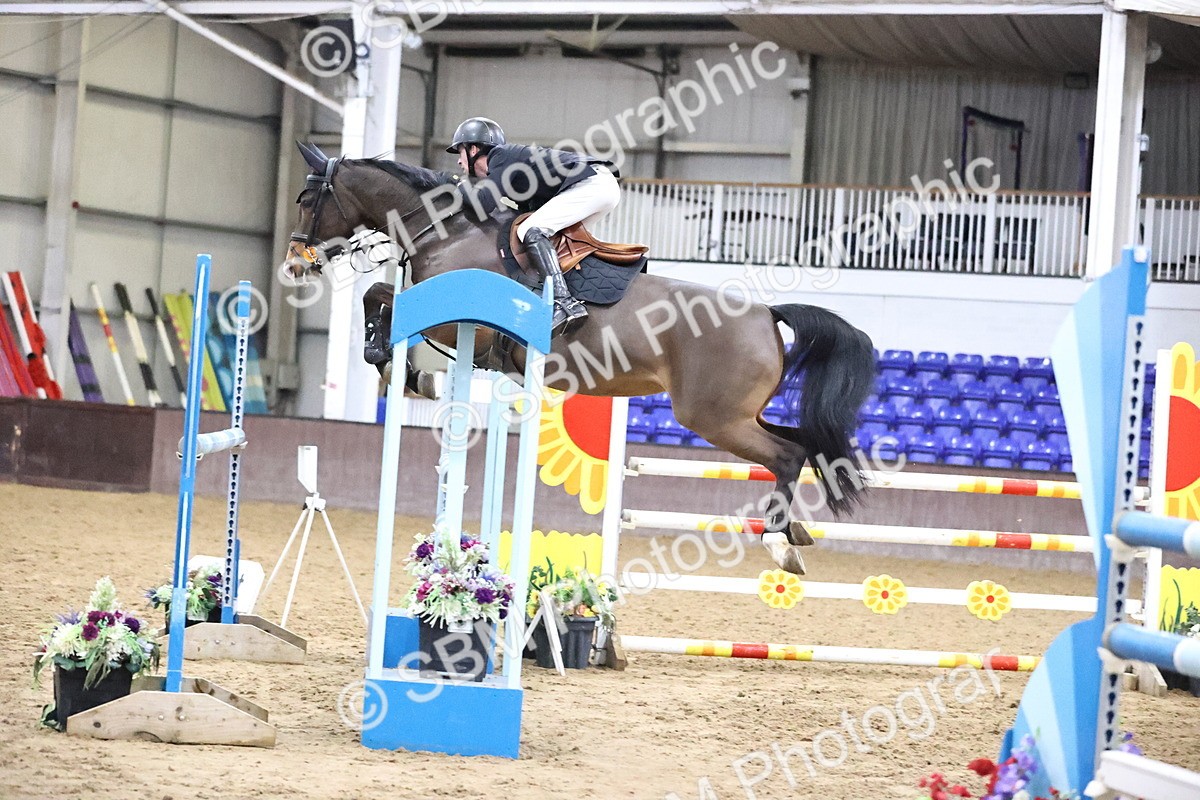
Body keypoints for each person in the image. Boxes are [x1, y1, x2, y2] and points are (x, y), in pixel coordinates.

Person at [448, 116, 621, 334]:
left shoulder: (498, 157)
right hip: (599, 186)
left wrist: (458, 186)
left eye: (460, 152)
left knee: (531, 230)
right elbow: (523, 211)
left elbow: (484, 203)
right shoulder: (512, 167)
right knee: (550, 239)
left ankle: (564, 303)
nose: (458, 161)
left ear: (473, 149)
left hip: (592, 184)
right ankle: (572, 295)